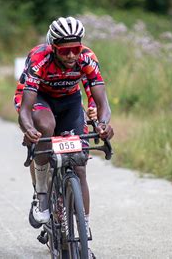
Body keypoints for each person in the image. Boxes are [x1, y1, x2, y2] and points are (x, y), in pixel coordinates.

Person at [16, 17, 114, 236]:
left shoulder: (87, 58)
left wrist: (103, 124)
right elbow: (25, 109)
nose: (71, 55)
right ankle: (41, 195)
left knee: (79, 167)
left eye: (75, 49)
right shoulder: (39, 58)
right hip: (39, 99)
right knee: (45, 127)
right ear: (54, 48)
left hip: (69, 102)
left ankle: (83, 233)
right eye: (64, 51)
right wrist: (29, 129)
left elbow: (102, 103)